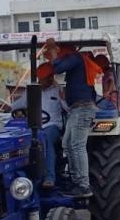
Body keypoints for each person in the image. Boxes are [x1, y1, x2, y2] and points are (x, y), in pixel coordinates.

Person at [46, 40, 101, 198]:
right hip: (78, 108)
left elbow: (58, 68)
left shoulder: (75, 58)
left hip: (82, 108)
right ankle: (76, 180)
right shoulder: (78, 62)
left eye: (58, 51)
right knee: (67, 144)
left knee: (76, 145)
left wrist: (53, 52)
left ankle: (83, 185)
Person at [12, 62, 67, 189]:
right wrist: (10, 109)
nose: (41, 81)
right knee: (20, 140)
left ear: (50, 78)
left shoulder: (58, 91)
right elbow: (16, 105)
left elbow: (68, 108)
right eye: (40, 78)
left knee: (44, 139)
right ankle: (23, 176)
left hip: (52, 125)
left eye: (44, 78)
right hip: (33, 126)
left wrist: (63, 97)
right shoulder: (31, 91)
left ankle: (49, 177)